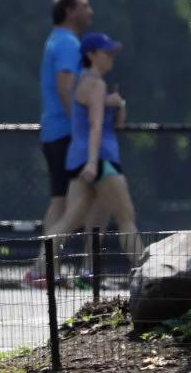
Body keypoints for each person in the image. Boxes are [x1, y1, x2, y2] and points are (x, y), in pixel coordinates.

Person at [45, 33, 142, 266]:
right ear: (91, 54)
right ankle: (148, 272)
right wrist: (92, 162)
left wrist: (119, 104)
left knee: (72, 221)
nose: (111, 57)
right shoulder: (95, 85)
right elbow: (96, 125)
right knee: (126, 216)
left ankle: (40, 270)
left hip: (80, 159)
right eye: (106, 52)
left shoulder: (85, 84)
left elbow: (116, 122)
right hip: (100, 159)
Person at [32, 0, 94, 284]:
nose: (90, 11)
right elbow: (65, 87)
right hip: (67, 133)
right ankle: (54, 267)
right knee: (83, 201)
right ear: (69, 10)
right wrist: (82, 130)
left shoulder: (55, 40)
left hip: (53, 131)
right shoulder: (68, 43)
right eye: (84, 5)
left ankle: (44, 269)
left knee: (60, 201)